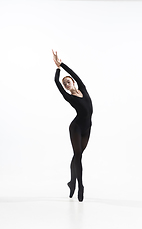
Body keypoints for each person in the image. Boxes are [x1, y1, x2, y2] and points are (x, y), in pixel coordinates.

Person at [52, 50, 93, 202]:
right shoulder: (69, 98)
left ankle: (71, 182)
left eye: (68, 82)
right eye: (65, 84)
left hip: (87, 128)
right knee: (78, 156)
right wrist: (57, 70)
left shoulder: (83, 88)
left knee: (77, 155)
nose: (67, 84)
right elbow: (57, 83)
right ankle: (80, 186)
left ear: (73, 83)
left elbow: (74, 74)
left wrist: (61, 64)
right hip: (76, 128)